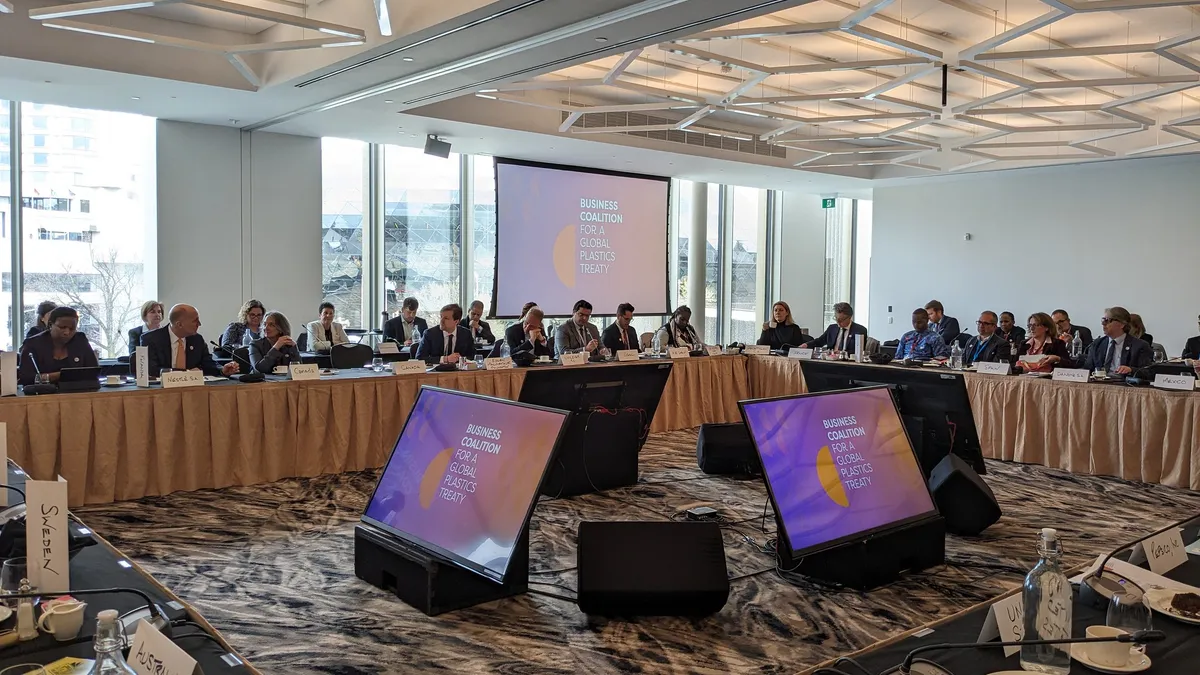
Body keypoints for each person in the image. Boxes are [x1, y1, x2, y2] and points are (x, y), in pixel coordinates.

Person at [142, 304, 241, 377]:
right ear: (179, 324)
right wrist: (186, 373)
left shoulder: (197, 339)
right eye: (195, 321)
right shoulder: (151, 339)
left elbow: (208, 363)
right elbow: (151, 370)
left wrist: (222, 370)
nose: (199, 324)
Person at [18, 306, 100, 385]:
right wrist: (61, 375)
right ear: (50, 325)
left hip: (76, 393)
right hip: (42, 395)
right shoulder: (33, 344)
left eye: (72, 329)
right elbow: (26, 378)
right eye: (62, 327)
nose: (67, 332)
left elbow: (92, 372)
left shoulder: (80, 340)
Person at [1083, 306, 1153, 375]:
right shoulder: (1097, 344)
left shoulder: (1140, 346)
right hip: (1099, 383)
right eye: (1103, 320)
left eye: (1107, 320)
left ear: (1122, 324)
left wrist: (1131, 370)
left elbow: (1148, 372)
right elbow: (1087, 369)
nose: (1103, 324)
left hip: (1124, 384)